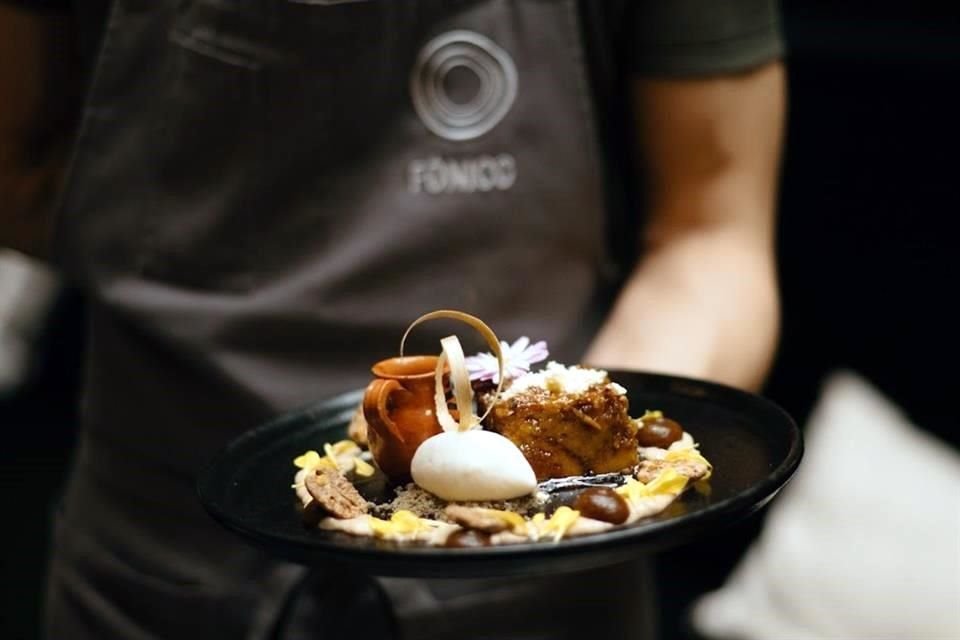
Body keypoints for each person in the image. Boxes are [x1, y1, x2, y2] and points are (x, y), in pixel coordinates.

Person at [1, 1, 786, 638]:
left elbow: (711, 234)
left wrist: (584, 488)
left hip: (545, 594)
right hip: (155, 556)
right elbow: (20, 175)